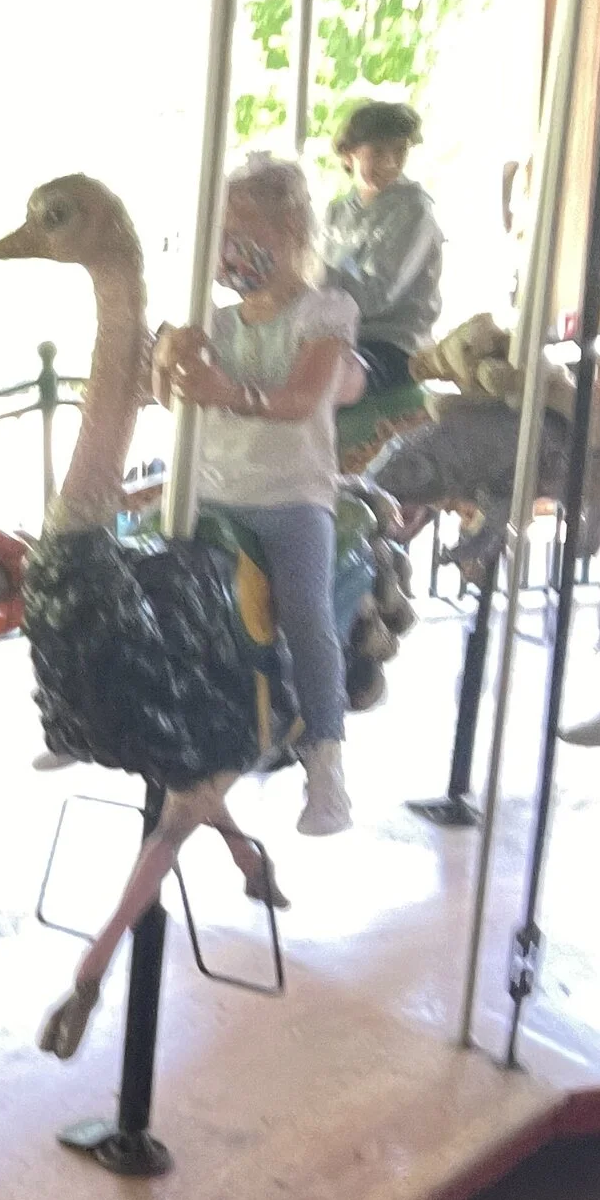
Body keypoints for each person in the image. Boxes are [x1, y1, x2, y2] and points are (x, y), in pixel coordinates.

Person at [157, 156, 365, 836]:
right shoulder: (212, 320)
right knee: (149, 588)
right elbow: (171, 400)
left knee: (306, 614)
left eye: (243, 229)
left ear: (289, 231)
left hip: (290, 495)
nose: (228, 247)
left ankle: (326, 762)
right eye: (221, 231)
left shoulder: (322, 313)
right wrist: (167, 362)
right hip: (213, 492)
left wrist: (230, 392)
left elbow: (304, 398)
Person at [322, 102, 444, 397]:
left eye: (399, 151)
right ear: (348, 153)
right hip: (341, 335)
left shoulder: (414, 210)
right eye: (377, 152)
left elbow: (375, 295)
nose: (390, 163)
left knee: (322, 378)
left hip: (392, 346)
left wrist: (311, 272)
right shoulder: (337, 212)